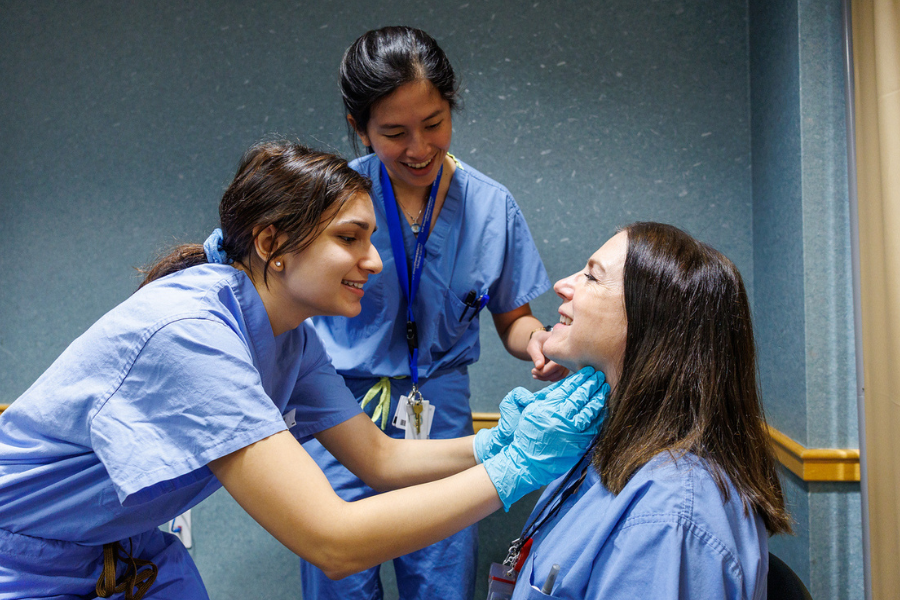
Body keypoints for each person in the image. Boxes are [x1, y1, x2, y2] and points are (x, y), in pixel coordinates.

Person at [0, 141, 609, 600]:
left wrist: (497, 440)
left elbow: (382, 459)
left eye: (372, 238)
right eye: (350, 238)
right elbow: (332, 541)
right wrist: (515, 467)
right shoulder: (193, 337)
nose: (373, 261)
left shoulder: (290, 338)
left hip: (120, 549)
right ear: (272, 244)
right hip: (26, 558)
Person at [303, 26, 564, 600]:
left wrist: (539, 341)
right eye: (393, 133)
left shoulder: (491, 206)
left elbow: (512, 319)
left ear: (451, 108)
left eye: (434, 124)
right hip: (337, 411)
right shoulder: (326, 203)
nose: (418, 149)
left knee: (442, 581)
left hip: (438, 411)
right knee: (339, 578)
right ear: (359, 128)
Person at [489, 223, 792, 599]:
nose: (563, 284)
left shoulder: (667, 519)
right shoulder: (603, 445)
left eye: (591, 277)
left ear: (648, 319)